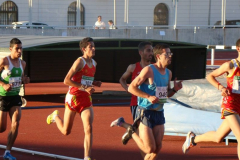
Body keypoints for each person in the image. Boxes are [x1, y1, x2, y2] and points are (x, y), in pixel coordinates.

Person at [114, 43, 183, 160]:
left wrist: (175, 90)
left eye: (170, 53)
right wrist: (147, 96)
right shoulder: (148, 70)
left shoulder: (168, 73)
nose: (170, 56)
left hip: (159, 113)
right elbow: (131, 87)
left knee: (158, 148)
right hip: (145, 112)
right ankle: (127, 128)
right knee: (149, 149)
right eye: (167, 54)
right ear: (158, 56)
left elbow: (165, 94)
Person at [182, 39, 240, 159]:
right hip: (230, 105)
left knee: (218, 137)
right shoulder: (230, 65)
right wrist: (221, 87)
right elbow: (210, 76)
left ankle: (193, 139)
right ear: (238, 49)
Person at [46, 37, 102, 160]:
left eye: (94, 46)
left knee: (88, 127)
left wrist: (95, 83)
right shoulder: (79, 62)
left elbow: (86, 80)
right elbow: (66, 80)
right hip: (73, 98)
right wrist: (84, 87)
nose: (93, 49)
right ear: (84, 49)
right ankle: (55, 116)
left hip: (86, 99)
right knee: (66, 131)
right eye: (90, 47)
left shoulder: (94, 63)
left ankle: (87, 157)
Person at [110, 41, 153, 146]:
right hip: (137, 103)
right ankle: (124, 125)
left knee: (148, 132)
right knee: (141, 134)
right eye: (148, 50)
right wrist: (128, 89)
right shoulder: (133, 67)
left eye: (152, 51)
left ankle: (125, 126)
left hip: (151, 104)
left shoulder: (154, 68)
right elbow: (122, 79)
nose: (151, 53)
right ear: (141, 53)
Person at [0, 38, 30, 160]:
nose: (19, 51)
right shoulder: (4, 61)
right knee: (1, 128)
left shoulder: (23, 63)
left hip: (15, 97)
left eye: (21, 48)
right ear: (10, 49)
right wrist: (3, 84)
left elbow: (21, 78)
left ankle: (7, 151)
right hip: (2, 97)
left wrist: (25, 80)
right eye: (17, 48)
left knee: (16, 123)